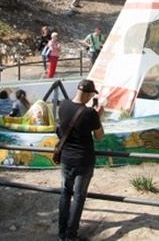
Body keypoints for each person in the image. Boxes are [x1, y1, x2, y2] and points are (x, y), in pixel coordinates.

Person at [57, 79, 104, 241]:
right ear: (90, 94)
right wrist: (99, 116)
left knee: (64, 194)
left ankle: (61, 233)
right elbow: (99, 136)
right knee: (78, 197)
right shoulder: (89, 113)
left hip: (66, 158)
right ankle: (71, 235)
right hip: (83, 160)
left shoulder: (63, 105)